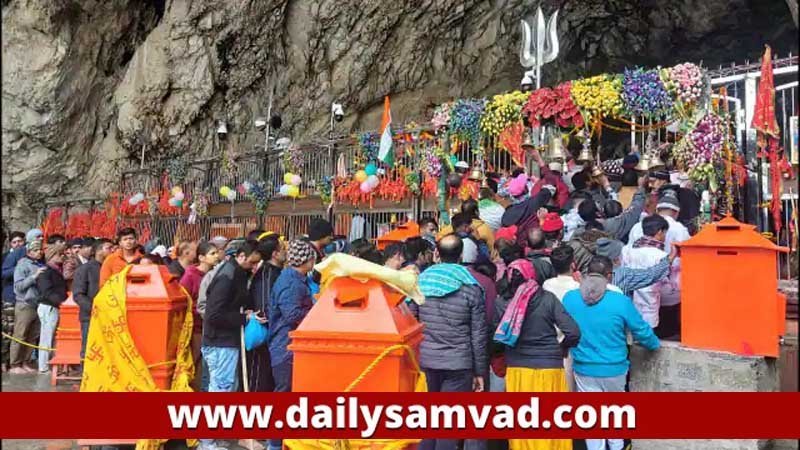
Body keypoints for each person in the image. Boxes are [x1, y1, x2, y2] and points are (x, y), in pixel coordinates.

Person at [563, 256, 659, 450]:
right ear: (609, 276)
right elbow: (641, 330)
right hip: (614, 369)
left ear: (587, 273)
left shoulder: (570, 298)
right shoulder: (620, 301)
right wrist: (654, 344)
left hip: (584, 368)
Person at [498, 257, 580, 450]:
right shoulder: (547, 298)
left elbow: (496, 336)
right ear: (532, 275)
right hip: (549, 367)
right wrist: (561, 348)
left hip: (518, 370)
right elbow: (573, 332)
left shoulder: (503, 303)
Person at [417, 234, 487, 450]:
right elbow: (479, 335)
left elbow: (411, 322)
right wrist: (480, 373)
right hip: (459, 364)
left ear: (437, 254)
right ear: (461, 256)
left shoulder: (420, 282)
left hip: (426, 361)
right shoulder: (471, 287)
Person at [199, 241, 263, 450]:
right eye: (252, 263)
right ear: (242, 256)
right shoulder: (227, 277)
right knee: (220, 390)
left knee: (226, 388)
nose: (254, 267)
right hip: (220, 343)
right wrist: (242, 318)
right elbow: (214, 314)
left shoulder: (236, 273)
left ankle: (217, 436)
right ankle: (207, 442)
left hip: (226, 341)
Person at [267, 239, 315, 450]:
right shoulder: (291, 283)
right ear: (307, 260)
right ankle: (275, 444)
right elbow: (292, 313)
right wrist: (317, 311)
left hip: (288, 344)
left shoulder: (295, 278)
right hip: (285, 346)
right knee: (284, 393)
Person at [627, 189, 690, 338]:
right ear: (676, 213)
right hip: (669, 292)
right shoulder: (681, 230)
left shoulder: (638, 226)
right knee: (663, 326)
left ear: (657, 209)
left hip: (639, 292)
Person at [246, 236, 285, 393]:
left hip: (274, 335)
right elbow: (264, 308)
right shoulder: (266, 275)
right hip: (264, 335)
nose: (286, 251)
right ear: (275, 254)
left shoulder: (277, 272)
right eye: (283, 249)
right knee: (260, 379)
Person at [621, 215, 670, 328]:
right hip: (649, 300)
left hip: (630, 298)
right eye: (664, 233)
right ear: (659, 232)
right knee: (648, 330)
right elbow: (664, 278)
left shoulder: (627, 250)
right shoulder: (660, 255)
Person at [73, 238, 112, 366]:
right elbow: (78, 295)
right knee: (89, 347)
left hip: (110, 315)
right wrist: (94, 309)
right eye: (109, 248)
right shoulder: (85, 269)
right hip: (90, 316)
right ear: (98, 251)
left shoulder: (112, 268)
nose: (112, 251)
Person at [595, 237, 676, 299]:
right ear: (615, 259)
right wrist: (670, 257)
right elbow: (650, 275)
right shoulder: (621, 275)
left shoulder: (589, 274)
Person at [9, 240, 45, 374]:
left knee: (32, 335)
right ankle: (14, 364)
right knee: (20, 334)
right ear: (29, 252)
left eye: (40, 250)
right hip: (24, 303)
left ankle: (25, 361)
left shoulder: (40, 264)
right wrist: (34, 276)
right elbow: (18, 286)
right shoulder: (22, 265)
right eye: (35, 250)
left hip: (37, 303)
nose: (39, 252)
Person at [35, 243, 68, 374]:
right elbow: (46, 292)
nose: (62, 256)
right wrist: (62, 302)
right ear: (52, 256)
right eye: (59, 254)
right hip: (48, 307)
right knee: (46, 337)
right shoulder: (45, 272)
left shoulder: (55, 271)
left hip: (55, 306)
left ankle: (49, 364)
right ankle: (43, 367)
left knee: (52, 337)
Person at [500, 172, 555, 247]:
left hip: (519, 247)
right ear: (525, 189)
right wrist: (538, 183)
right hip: (535, 242)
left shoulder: (508, 212)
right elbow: (551, 189)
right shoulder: (533, 203)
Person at [2, 231, 29, 306]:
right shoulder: (5, 257)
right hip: (10, 292)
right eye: (14, 242)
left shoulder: (29, 253)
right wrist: (19, 268)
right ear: (11, 244)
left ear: (24, 241)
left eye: (20, 241)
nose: (17, 244)